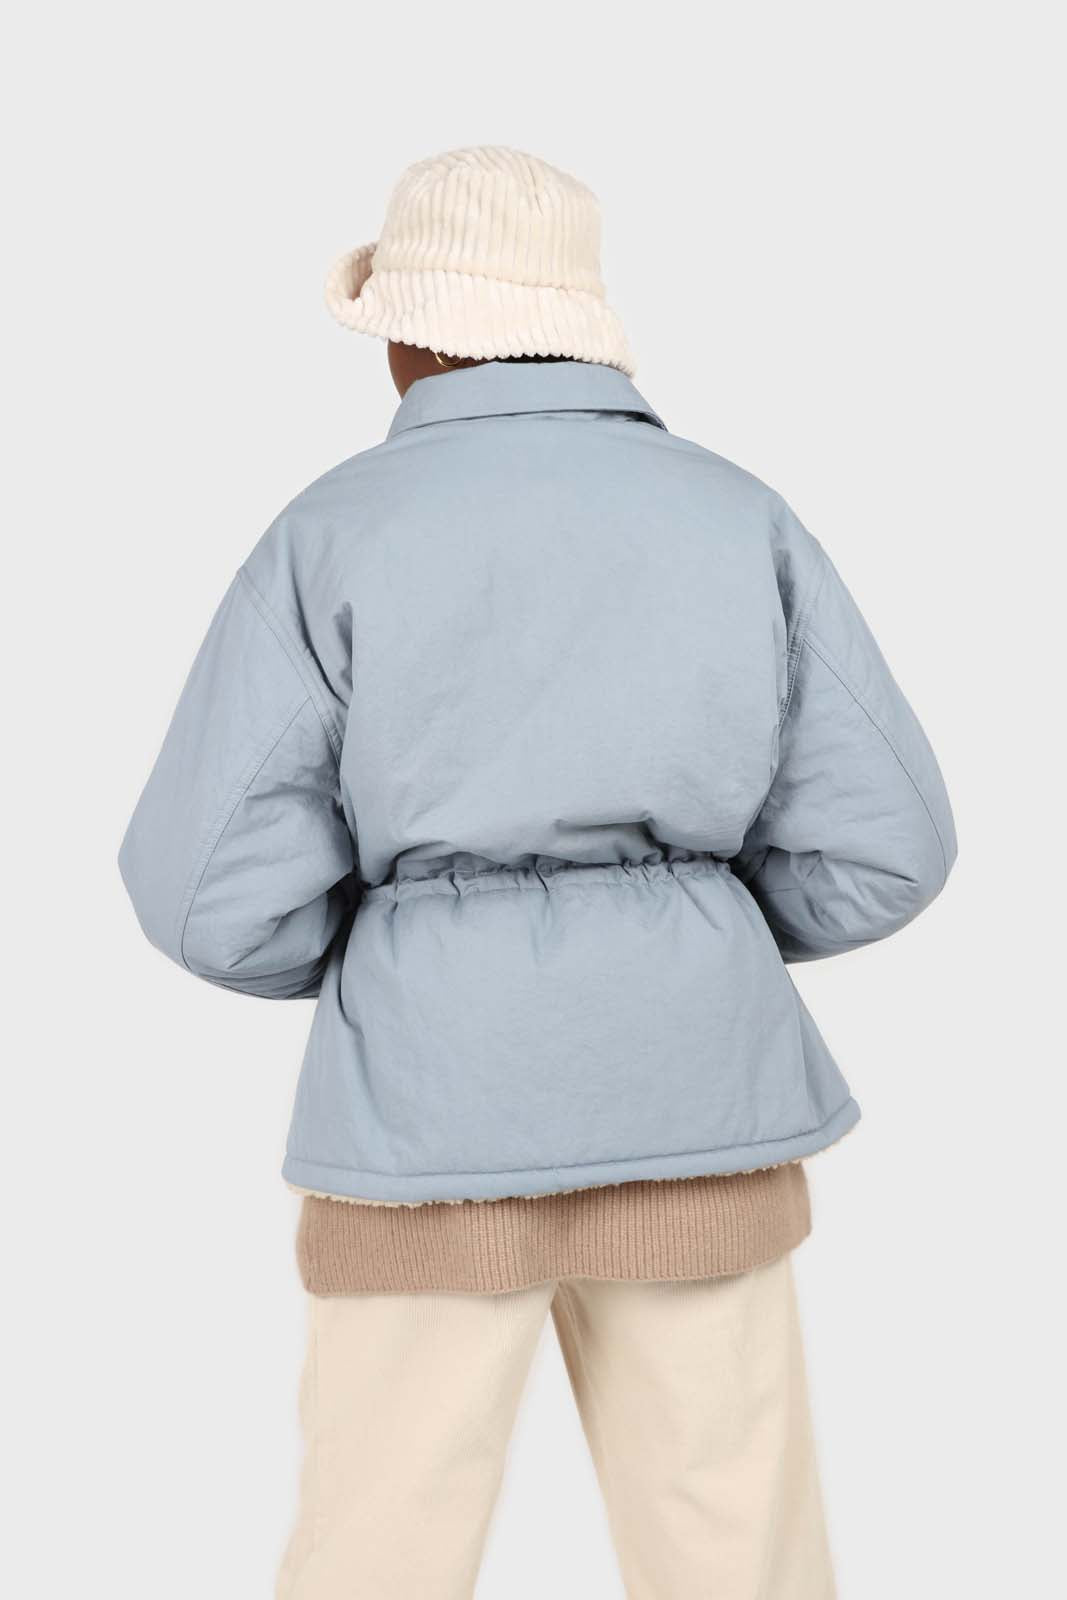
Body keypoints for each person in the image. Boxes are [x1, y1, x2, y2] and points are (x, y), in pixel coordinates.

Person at [119, 145, 956, 1598]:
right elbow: (894, 843)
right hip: (702, 1103)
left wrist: (392, 951)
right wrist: (695, 927)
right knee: (738, 1547)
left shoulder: (333, 533)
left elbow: (204, 894)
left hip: (424, 1120)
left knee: (377, 1547)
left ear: (410, 333)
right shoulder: (737, 515)